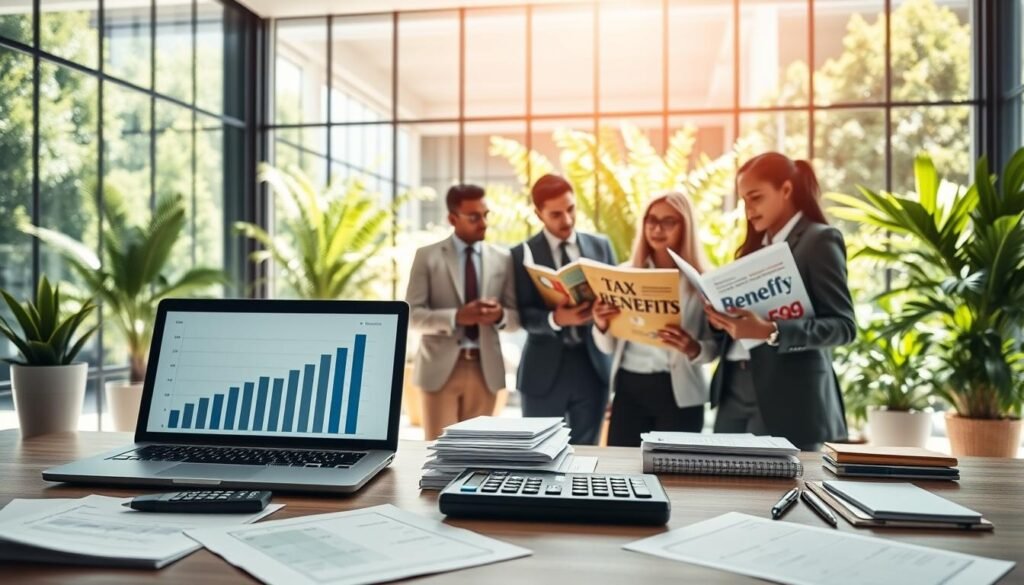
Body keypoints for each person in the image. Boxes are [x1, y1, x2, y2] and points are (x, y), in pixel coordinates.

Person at [703, 152, 855, 451]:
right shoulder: (753, 249)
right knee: (723, 485)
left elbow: (843, 327)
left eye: (755, 198)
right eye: (744, 201)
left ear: (786, 190)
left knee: (781, 493)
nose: (748, 211)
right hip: (735, 389)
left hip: (792, 396)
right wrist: (722, 321)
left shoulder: (819, 241)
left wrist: (771, 331)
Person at [592, 192, 714, 446]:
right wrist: (601, 324)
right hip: (629, 388)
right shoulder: (624, 274)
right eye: (651, 220)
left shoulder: (702, 280)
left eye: (669, 222)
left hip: (678, 392)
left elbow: (716, 346)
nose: (657, 228)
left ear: (685, 226)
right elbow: (607, 347)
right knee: (622, 473)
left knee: (675, 478)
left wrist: (693, 348)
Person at [406, 184, 520, 440]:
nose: (483, 223)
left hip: (486, 370)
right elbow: (412, 316)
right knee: (439, 455)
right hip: (440, 371)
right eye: (474, 217)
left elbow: (514, 320)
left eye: (486, 215)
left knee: (480, 456)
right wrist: (457, 316)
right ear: (452, 219)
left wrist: (500, 315)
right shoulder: (427, 257)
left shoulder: (503, 259)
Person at [510, 174, 617, 445]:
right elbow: (522, 314)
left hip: (592, 368)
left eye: (571, 209)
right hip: (543, 369)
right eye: (556, 214)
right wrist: (555, 319)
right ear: (538, 213)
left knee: (587, 454)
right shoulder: (520, 254)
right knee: (539, 454)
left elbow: (616, 301)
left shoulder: (600, 246)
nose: (567, 221)